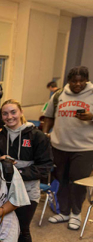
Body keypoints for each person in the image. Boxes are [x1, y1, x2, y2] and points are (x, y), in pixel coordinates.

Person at [0, 99, 53, 242]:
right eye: (5, 113)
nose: (9, 116)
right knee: (1, 228)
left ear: (20, 112)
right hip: (3, 190)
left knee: (22, 229)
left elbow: (45, 167)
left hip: (27, 192)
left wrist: (17, 171)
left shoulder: (37, 136)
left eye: (13, 112)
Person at [43, 66, 93, 230]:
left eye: (81, 81)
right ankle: (64, 212)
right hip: (59, 146)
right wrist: (44, 134)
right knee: (61, 180)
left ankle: (76, 214)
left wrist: (91, 116)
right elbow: (49, 117)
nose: (77, 84)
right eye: (74, 81)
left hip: (84, 148)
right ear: (68, 81)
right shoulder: (58, 95)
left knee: (77, 182)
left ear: (86, 80)